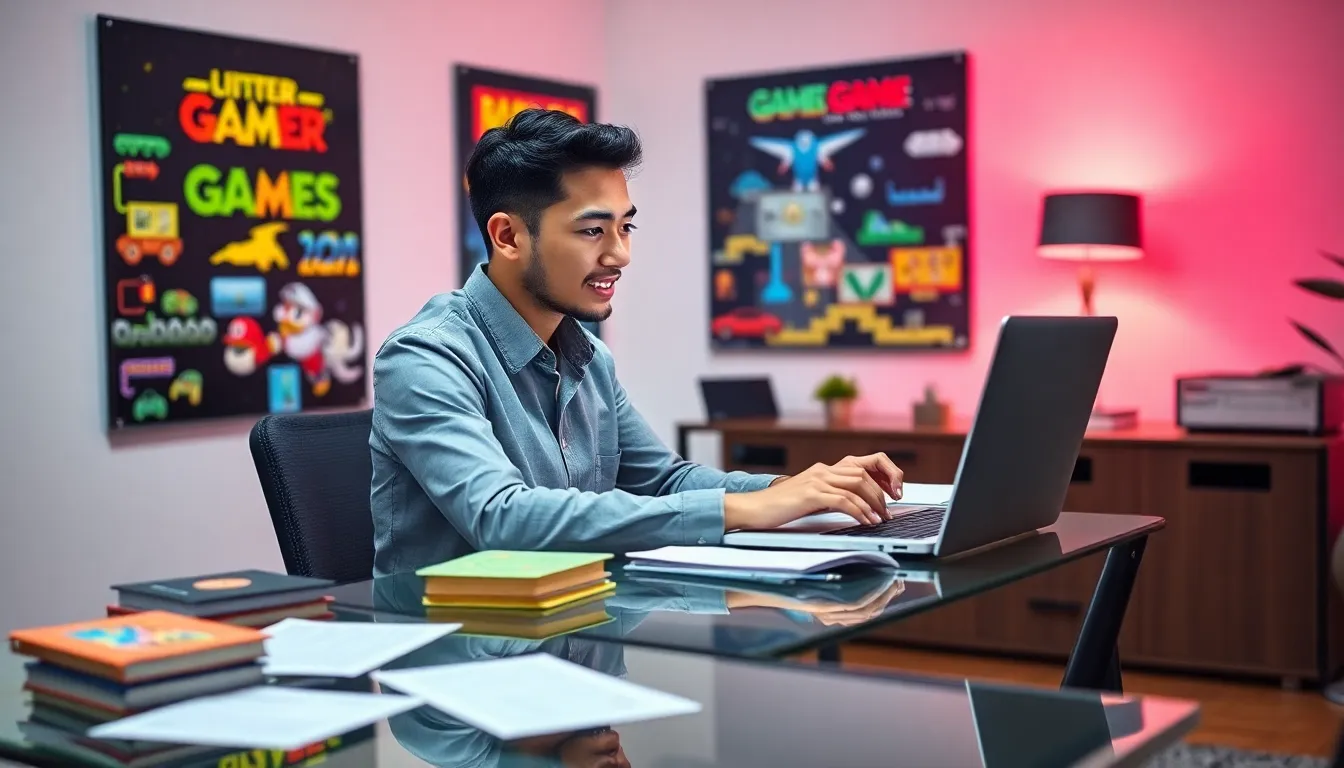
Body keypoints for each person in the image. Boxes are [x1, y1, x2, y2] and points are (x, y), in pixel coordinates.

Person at [369, 108, 904, 577]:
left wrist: (797, 490)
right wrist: (739, 510)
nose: (620, 255)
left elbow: (665, 481)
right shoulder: (425, 357)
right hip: (459, 649)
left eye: (625, 228)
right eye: (592, 231)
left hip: (577, 631)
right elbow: (501, 518)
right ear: (508, 236)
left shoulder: (588, 357)